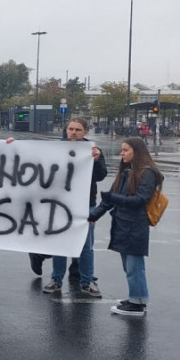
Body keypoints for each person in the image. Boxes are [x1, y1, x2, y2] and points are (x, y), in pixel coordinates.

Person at [89, 137, 162, 317]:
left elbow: (140, 200)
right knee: (129, 266)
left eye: (125, 150)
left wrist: (111, 200)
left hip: (135, 225)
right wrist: (92, 215)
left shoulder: (147, 173)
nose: (122, 153)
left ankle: (138, 302)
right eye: (122, 150)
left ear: (136, 152)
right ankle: (135, 298)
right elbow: (110, 199)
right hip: (123, 224)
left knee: (134, 266)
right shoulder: (128, 171)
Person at [42, 118, 107, 297]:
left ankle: (87, 282)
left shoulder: (93, 150)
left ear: (85, 132)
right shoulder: (57, 149)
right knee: (60, 244)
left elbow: (101, 176)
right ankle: (56, 279)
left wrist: (97, 159)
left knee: (86, 246)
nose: (73, 132)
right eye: (70, 129)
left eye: (78, 130)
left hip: (85, 203)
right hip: (60, 203)